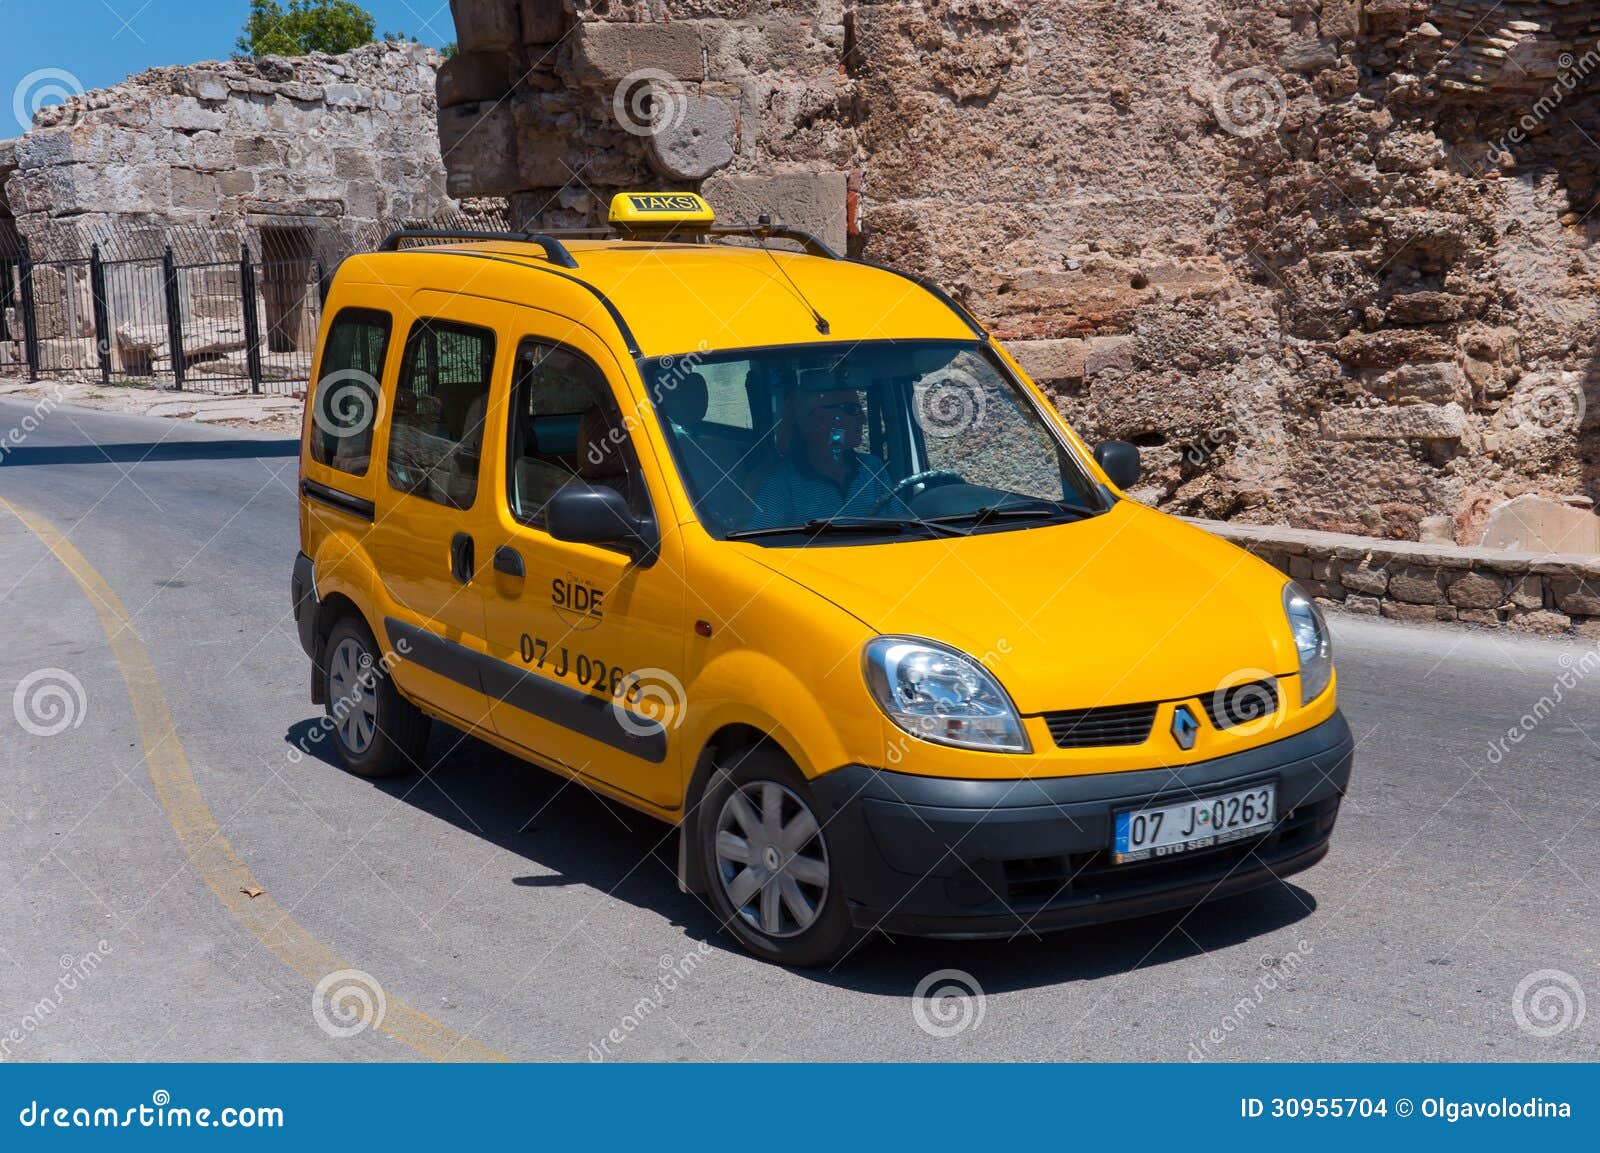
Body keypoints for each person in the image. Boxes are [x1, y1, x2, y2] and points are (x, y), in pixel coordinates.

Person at [746, 386, 910, 530]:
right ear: (819, 419)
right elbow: (761, 540)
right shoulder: (782, 483)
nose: (863, 420)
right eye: (852, 410)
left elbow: (898, 524)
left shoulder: (873, 467)